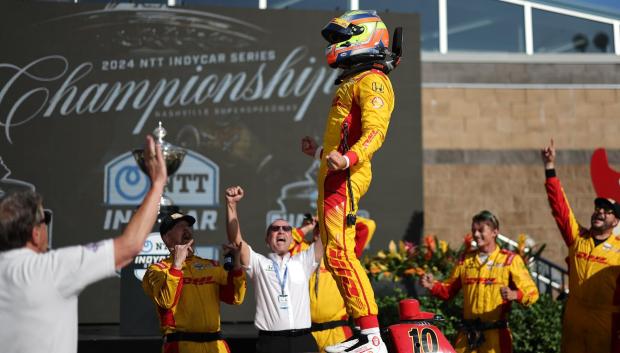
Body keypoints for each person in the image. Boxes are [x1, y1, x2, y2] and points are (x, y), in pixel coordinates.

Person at [0, 135, 166, 353]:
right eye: (44, 220)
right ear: (35, 233)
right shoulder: (54, 268)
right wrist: (158, 183)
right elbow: (130, 246)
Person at [300, 9, 399, 353]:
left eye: (343, 38)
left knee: (341, 253)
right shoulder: (354, 80)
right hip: (333, 177)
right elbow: (343, 140)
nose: (337, 45)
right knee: (334, 255)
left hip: (345, 178)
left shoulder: (373, 80)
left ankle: (371, 337)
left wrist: (349, 159)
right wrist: (320, 154)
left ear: (365, 37)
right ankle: (364, 332)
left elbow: (376, 132)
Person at [420, 211, 539, 353]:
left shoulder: (510, 260)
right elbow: (448, 290)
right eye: (473, 230)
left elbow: (532, 293)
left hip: (496, 338)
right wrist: (432, 285)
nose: (476, 235)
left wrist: (515, 294)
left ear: (495, 232)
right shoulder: (465, 260)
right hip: (467, 337)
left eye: (481, 230)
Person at [541, 139, 620, 353]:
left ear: (616, 222)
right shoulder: (578, 238)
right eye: (598, 207)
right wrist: (550, 167)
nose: (600, 212)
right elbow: (560, 207)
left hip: (605, 323)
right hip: (574, 320)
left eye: (607, 210)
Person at [225, 185, 323, 353]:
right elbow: (236, 240)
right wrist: (231, 205)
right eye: (275, 229)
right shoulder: (258, 263)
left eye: (286, 229)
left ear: (292, 238)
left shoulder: (303, 261)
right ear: (267, 239)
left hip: (304, 341)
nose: (280, 231)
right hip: (272, 343)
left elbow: (327, 235)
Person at [142, 211, 246, 353]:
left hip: (216, 345)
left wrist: (237, 265)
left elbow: (236, 298)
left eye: (188, 226)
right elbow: (166, 301)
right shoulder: (157, 270)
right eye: (179, 226)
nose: (186, 230)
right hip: (181, 345)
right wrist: (177, 265)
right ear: (166, 238)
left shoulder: (212, 265)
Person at [290, 216, 376, 353]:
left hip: (338, 331)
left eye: (325, 228)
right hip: (306, 333)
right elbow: (286, 242)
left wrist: (330, 217)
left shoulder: (341, 252)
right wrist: (306, 227)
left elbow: (367, 226)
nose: (321, 231)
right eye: (318, 228)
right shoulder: (302, 251)